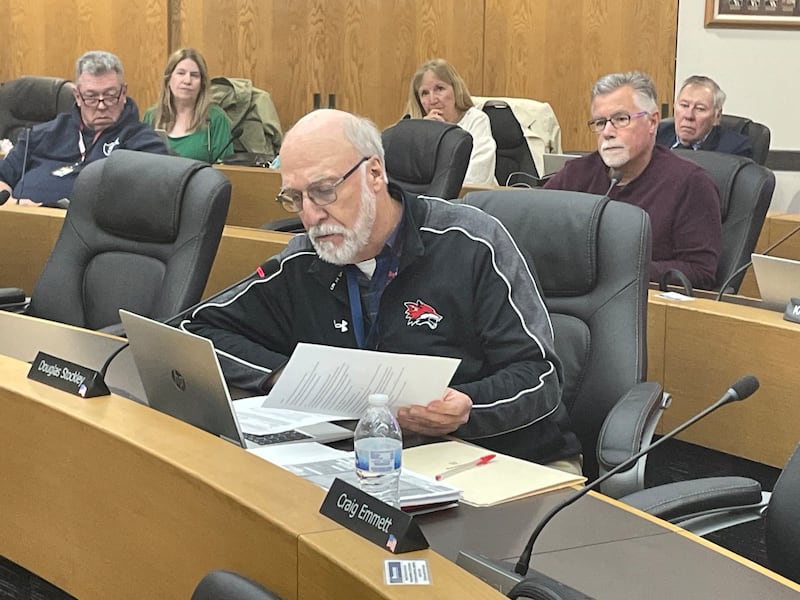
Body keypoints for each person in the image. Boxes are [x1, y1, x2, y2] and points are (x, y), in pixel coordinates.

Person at [182, 108, 581, 472]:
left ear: (374, 174)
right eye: (295, 198)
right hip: (375, 461)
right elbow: (198, 329)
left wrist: (467, 408)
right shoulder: (305, 258)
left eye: (323, 191)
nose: (310, 214)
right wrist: (281, 376)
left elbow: (541, 377)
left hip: (506, 459)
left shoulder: (472, 243)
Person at [545, 71, 722, 290]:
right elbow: (535, 231)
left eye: (621, 119)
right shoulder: (576, 174)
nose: (608, 132)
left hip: (647, 309)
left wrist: (622, 269)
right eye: (600, 122)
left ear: (652, 122)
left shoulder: (690, 183)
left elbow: (701, 272)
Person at [0, 50, 168, 208]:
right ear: (77, 97)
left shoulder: (143, 143)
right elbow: (3, 177)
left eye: (110, 95)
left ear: (123, 93)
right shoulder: (41, 134)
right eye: (91, 97)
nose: (101, 106)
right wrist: (13, 207)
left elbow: (152, 198)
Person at [406, 59, 498, 187]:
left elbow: (478, 177)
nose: (432, 99)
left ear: (455, 89)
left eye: (439, 89)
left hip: (470, 198)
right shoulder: (414, 129)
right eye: (424, 93)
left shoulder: (476, 120)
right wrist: (424, 134)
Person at [143, 48, 233, 162]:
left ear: (202, 83)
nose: (187, 81)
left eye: (194, 75)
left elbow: (226, 171)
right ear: (168, 79)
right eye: (181, 73)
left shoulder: (216, 119)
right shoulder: (152, 116)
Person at [656, 75, 752, 158]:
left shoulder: (734, 149)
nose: (689, 115)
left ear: (716, 116)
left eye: (700, 109)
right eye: (684, 105)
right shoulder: (656, 135)